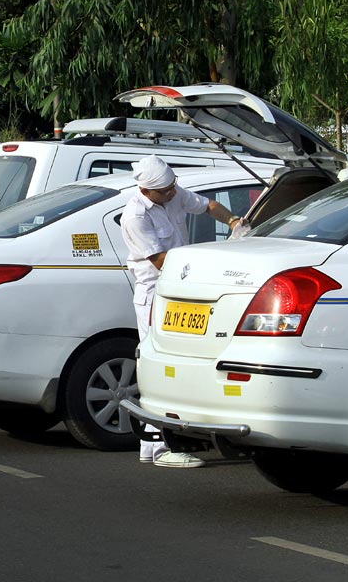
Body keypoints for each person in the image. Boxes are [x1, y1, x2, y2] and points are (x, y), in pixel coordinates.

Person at [121, 154, 243, 468]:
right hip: (154, 295)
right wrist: (210, 259)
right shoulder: (135, 216)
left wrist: (234, 223)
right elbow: (161, 262)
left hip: (179, 291)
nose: (173, 193)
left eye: (174, 187)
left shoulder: (172, 193)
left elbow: (208, 206)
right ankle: (160, 449)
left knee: (165, 368)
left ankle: (152, 447)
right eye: (166, 191)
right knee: (157, 368)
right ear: (147, 191)